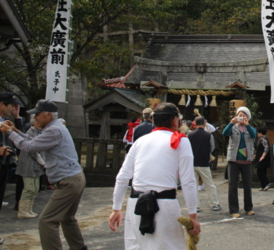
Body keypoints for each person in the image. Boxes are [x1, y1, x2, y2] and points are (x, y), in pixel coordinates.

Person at [109, 102, 199, 248]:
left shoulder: (140, 142)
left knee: (137, 246)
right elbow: (188, 181)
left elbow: (122, 177)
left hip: (136, 204)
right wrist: (193, 215)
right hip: (164, 204)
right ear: (175, 120)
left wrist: (116, 208)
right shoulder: (182, 141)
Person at [0, 99, 87, 250]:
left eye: (37, 115)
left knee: (47, 220)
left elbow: (29, 146)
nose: (35, 119)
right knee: (67, 218)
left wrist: (8, 132)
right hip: (74, 179)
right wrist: (15, 131)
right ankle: (79, 247)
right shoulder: (55, 127)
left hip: (68, 182)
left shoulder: (54, 130)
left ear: (47, 115)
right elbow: (34, 140)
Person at [222, 106, 257, 218]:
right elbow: (225, 133)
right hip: (233, 159)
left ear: (248, 117)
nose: (242, 117)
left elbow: (254, 135)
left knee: (247, 185)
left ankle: (249, 208)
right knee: (233, 185)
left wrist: (248, 125)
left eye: (244, 115)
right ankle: (234, 210)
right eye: (240, 115)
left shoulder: (250, 128)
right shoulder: (233, 127)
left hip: (247, 160)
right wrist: (231, 123)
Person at [188, 117, 221, 211]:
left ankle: (195, 206)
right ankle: (214, 203)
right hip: (204, 162)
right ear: (204, 123)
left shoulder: (189, 134)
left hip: (193, 162)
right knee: (209, 184)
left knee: (193, 185)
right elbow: (212, 148)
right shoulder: (209, 135)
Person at [15, 115, 45, 219]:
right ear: (35, 123)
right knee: (28, 188)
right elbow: (33, 150)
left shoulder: (39, 133)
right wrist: (42, 162)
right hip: (28, 165)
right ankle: (23, 211)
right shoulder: (30, 133)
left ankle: (29, 209)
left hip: (36, 166)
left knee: (35, 188)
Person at [0, 92, 22, 210]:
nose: (14, 108)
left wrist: (17, 118)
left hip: (4, 161)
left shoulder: (7, 121)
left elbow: (21, 138)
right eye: (12, 105)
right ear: (2, 105)